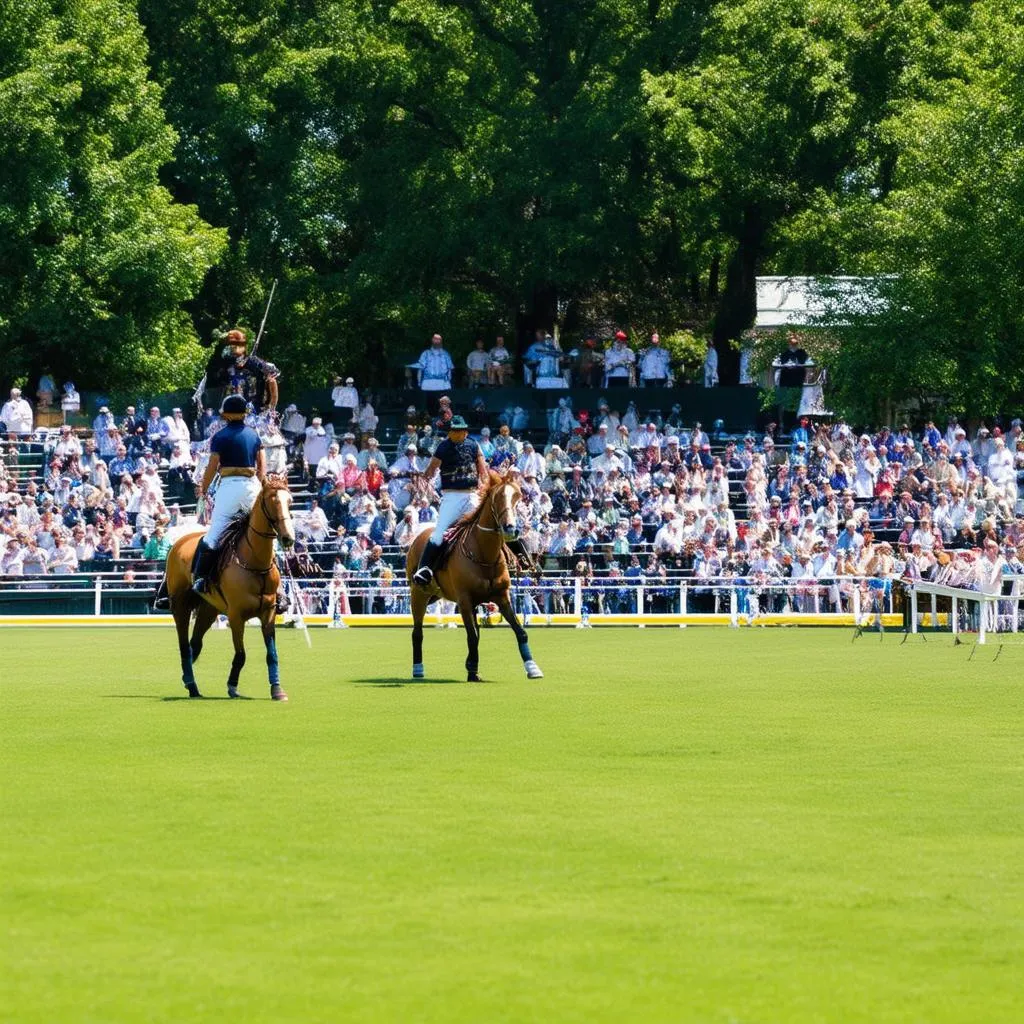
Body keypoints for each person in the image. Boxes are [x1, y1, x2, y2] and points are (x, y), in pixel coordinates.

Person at [191, 394, 265, 594]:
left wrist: (204, 490)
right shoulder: (254, 435)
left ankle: (201, 579)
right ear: (244, 414)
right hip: (253, 486)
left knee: (214, 535)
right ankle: (280, 587)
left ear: (226, 415)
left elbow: (212, 467)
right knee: (265, 534)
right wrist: (259, 484)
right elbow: (262, 466)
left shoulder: (220, 437)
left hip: (229, 487)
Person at [411, 416, 489, 586]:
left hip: (472, 494)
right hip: (451, 496)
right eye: (452, 430)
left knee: (489, 525)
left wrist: (486, 486)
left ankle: (510, 561)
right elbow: (431, 470)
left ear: (465, 432)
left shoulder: (474, 445)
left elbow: (483, 471)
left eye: (457, 430)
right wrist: (422, 476)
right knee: (439, 533)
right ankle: (424, 568)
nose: (454, 433)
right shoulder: (443, 447)